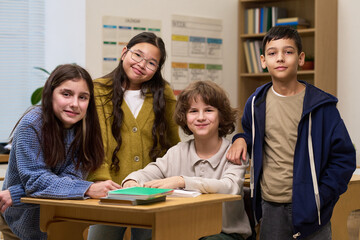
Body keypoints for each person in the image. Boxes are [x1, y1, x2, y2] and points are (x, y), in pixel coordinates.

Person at [227, 26, 356, 240]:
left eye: (288, 52)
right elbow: (251, 134)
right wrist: (240, 138)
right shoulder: (255, 102)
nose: (280, 58)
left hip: (313, 210)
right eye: (272, 53)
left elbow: (344, 158)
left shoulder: (321, 106)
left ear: (300, 58)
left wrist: (321, 196)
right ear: (263, 61)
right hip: (270, 208)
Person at [0, 64, 120, 240]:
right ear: (50, 93)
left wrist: (17, 193)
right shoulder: (32, 125)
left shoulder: (86, 129)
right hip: (20, 221)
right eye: (66, 94)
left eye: (83, 97)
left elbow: (71, 179)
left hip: (59, 218)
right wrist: (88, 188)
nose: (74, 104)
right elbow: (37, 181)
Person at [121, 80, 252, 240]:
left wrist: (182, 181)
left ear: (221, 115)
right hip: (184, 232)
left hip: (226, 234)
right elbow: (150, 171)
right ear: (185, 117)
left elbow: (229, 187)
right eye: (193, 111)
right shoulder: (177, 152)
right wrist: (132, 181)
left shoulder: (234, 152)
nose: (201, 117)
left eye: (209, 110)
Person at [87, 32, 180, 239]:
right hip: (110, 191)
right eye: (137, 55)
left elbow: (173, 145)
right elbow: (96, 143)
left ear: (157, 69)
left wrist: (173, 182)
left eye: (151, 63)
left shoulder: (163, 92)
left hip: (153, 190)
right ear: (124, 53)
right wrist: (103, 184)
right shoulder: (98, 90)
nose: (141, 64)